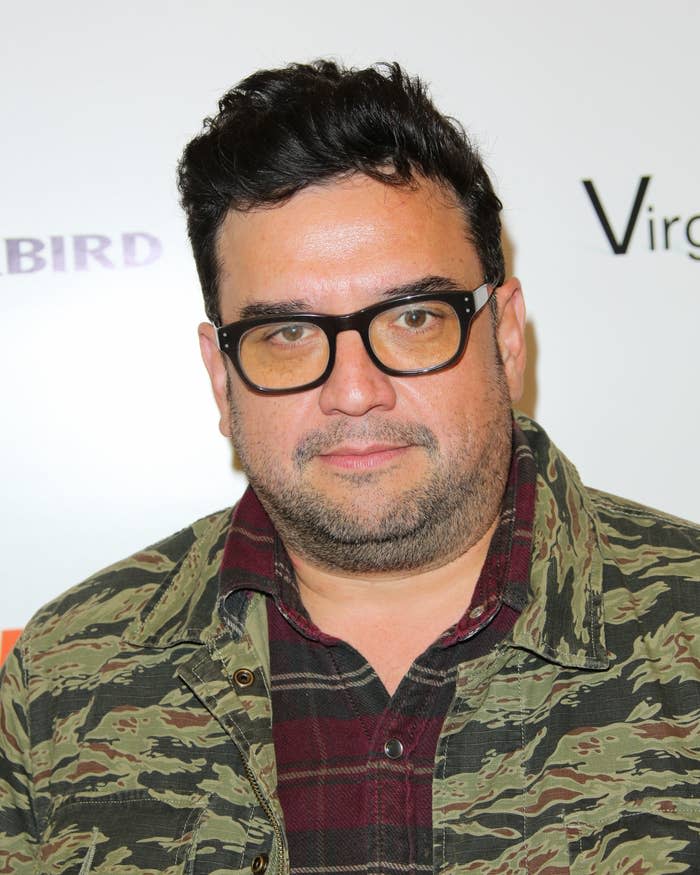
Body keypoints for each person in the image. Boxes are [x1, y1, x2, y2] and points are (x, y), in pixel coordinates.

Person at [1, 60, 698, 875]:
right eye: (288, 333)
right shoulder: (64, 682)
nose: (355, 391)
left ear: (505, 334)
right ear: (221, 377)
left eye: (412, 318)